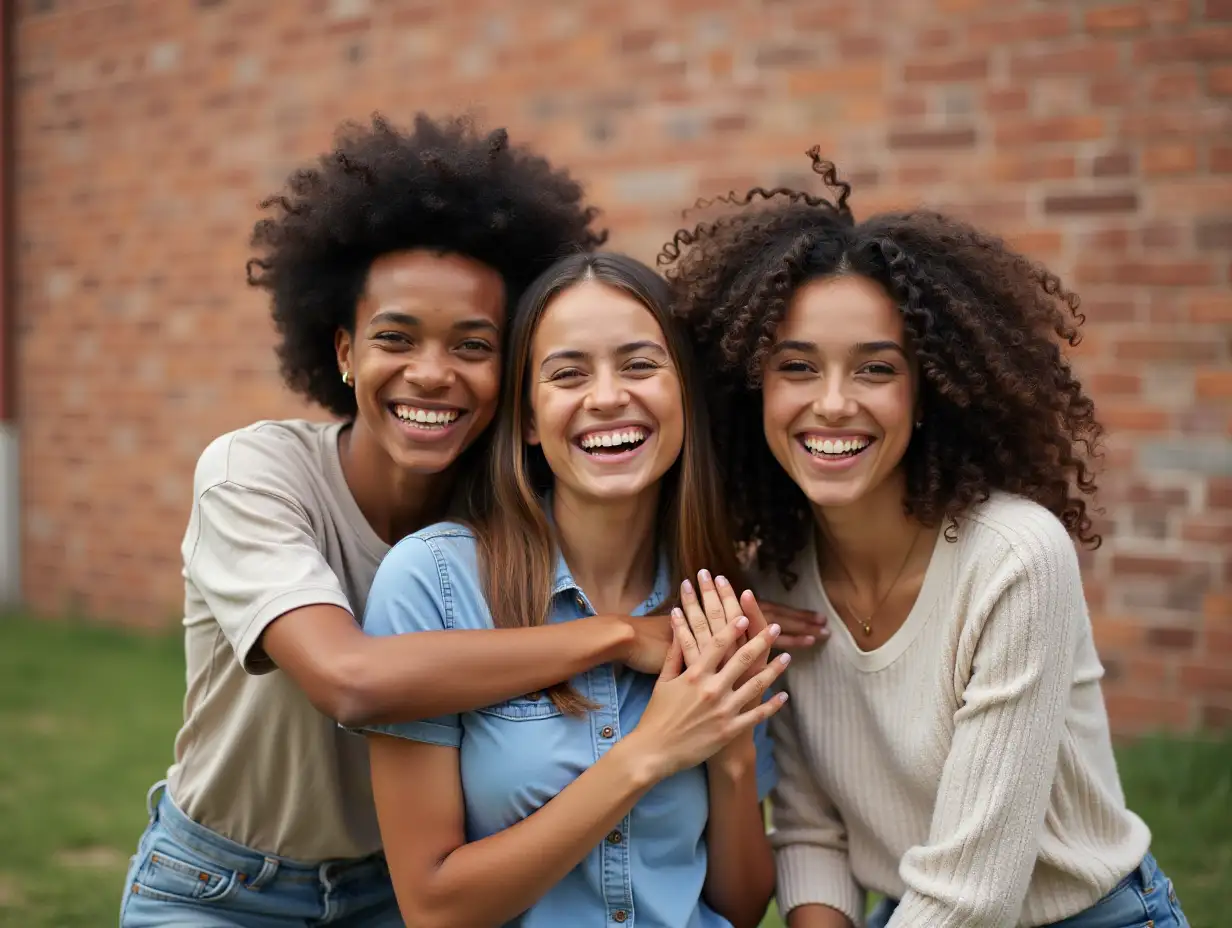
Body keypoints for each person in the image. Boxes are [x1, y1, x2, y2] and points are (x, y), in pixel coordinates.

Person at [119, 113, 678, 928]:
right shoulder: (257, 475)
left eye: (473, 346)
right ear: (344, 351)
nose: (431, 374)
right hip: (221, 886)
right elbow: (351, 681)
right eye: (396, 338)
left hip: (400, 889)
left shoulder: (510, 512)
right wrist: (623, 636)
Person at [662, 151, 1190, 928]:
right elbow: (813, 833)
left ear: (929, 389)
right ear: (754, 389)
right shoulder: (774, 578)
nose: (832, 404)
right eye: (797, 367)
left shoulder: (1013, 559)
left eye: (875, 369)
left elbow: (975, 897)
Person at [356, 252, 789, 928]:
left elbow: (737, 904)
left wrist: (731, 756)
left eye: (641, 365)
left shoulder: (714, 593)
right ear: (528, 419)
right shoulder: (432, 585)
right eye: (567, 374)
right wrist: (650, 753)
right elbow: (434, 908)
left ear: (684, 398)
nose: (608, 396)